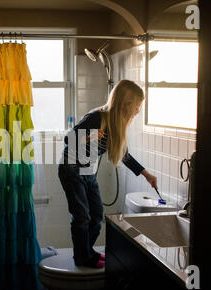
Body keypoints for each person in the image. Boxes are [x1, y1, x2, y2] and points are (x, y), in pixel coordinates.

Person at [58, 79, 157, 268]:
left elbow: (124, 155)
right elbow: (67, 139)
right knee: (82, 217)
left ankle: (88, 252)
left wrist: (147, 175)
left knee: (96, 216)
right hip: (71, 169)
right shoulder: (97, 117)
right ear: (126, 104)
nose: (138, 110)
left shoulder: (116, 123)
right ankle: (82, 258)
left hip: (87, 171)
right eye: (137, 105)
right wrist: (91, 136)